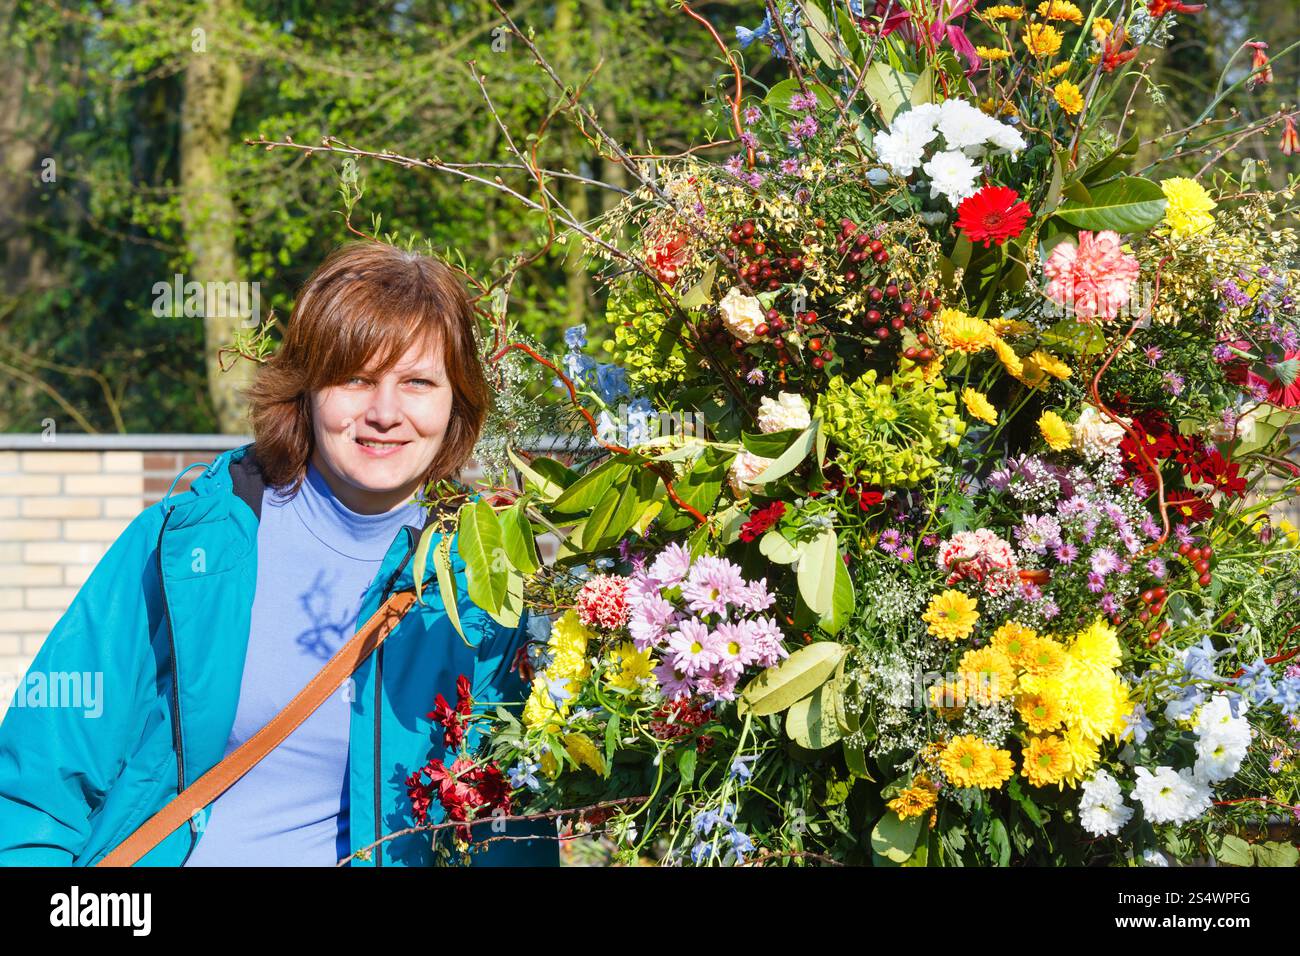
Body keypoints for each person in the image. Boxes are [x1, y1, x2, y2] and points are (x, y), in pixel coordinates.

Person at [0, 241, 557, 867]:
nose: (384, 413)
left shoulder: (490, 583)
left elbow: (507, 826)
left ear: (457, 399)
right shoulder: (190, 544)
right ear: (306, 388)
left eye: (418, 382)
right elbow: (41, 784)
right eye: (356, 378)